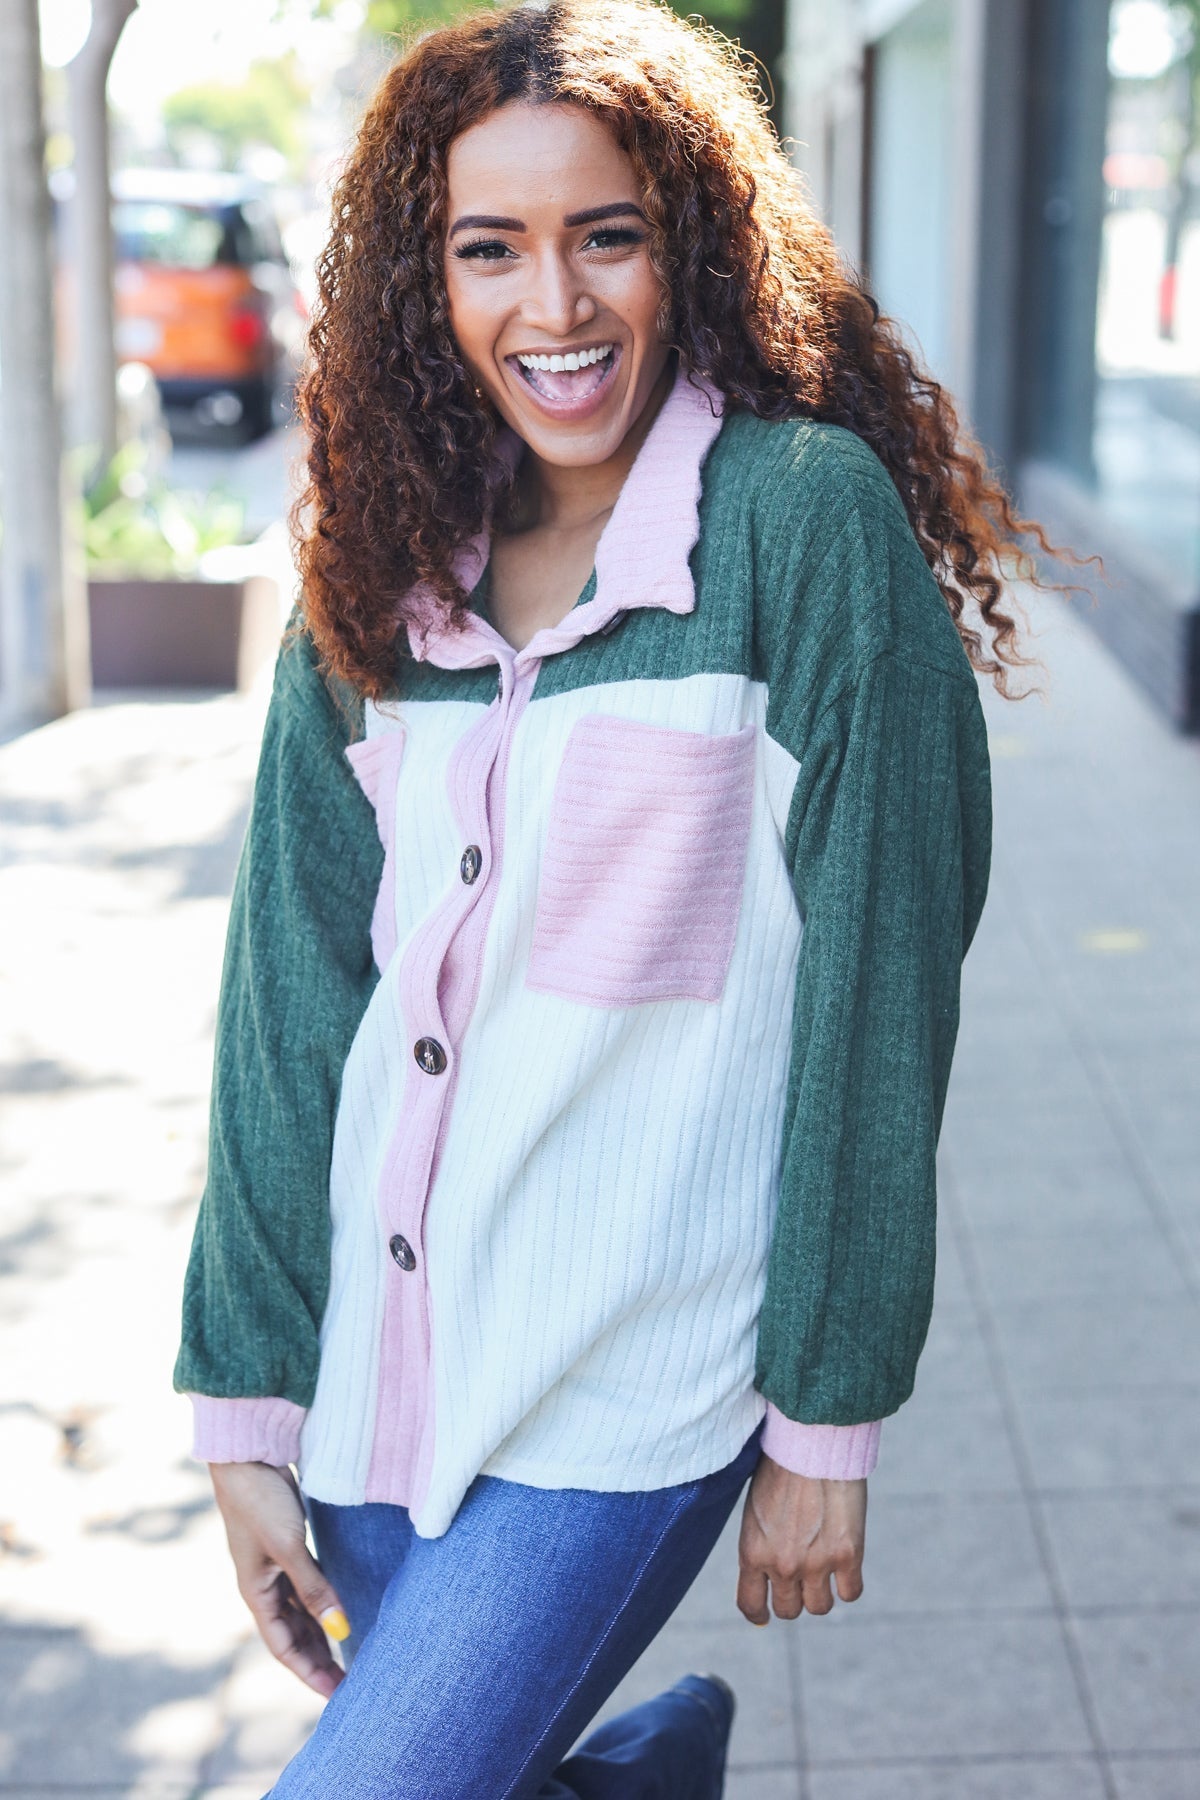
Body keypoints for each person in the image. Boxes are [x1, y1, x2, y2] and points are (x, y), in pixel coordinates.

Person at [173, 2, 1051, 1793]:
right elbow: (288, 1003)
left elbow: (882, 990)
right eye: (490, 247)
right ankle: (637, 1776)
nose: (552, 307)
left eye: (608, 236)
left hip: (628, 1394)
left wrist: (828, 1416)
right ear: (429, 283)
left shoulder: (798, 528)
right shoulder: (380, 564)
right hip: (376, 1380)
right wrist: (244, 1410)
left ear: (692, 247)